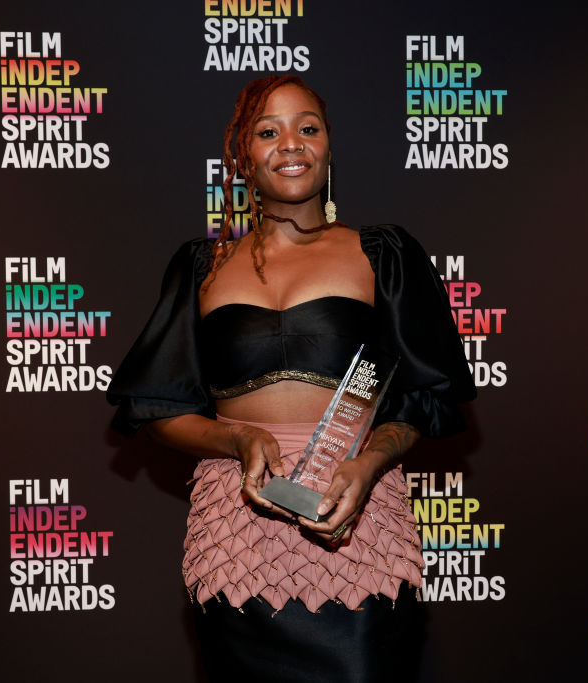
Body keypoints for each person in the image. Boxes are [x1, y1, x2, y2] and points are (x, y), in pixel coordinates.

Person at [107, 74, 475, 682]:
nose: (291, 145)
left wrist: (366, 465)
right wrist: (238, 440)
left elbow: (421, 401)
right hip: (238, 528)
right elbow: (160, 409)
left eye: (308, 128)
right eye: (268, 132)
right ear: (242, 156)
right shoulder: (203, 265)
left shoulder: (382, 254)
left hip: (354, 515)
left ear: (329, 147)